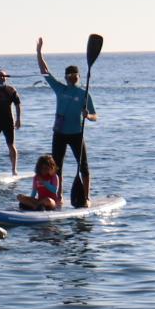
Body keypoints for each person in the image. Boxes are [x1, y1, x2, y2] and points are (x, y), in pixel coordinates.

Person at [36, 38, 97, 206]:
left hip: (77, 134)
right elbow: (44, 71)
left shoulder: (84, 94)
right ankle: (59, 196)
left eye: (74, 76)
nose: (71, 78)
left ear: (78, 77)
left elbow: (95, 116)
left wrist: (88, 116)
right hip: (60, 133)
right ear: (66, 77)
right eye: (69, 76)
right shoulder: (60, 88)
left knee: (83, 166)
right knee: (56, 167)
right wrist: (39, 52)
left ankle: (86, 197)